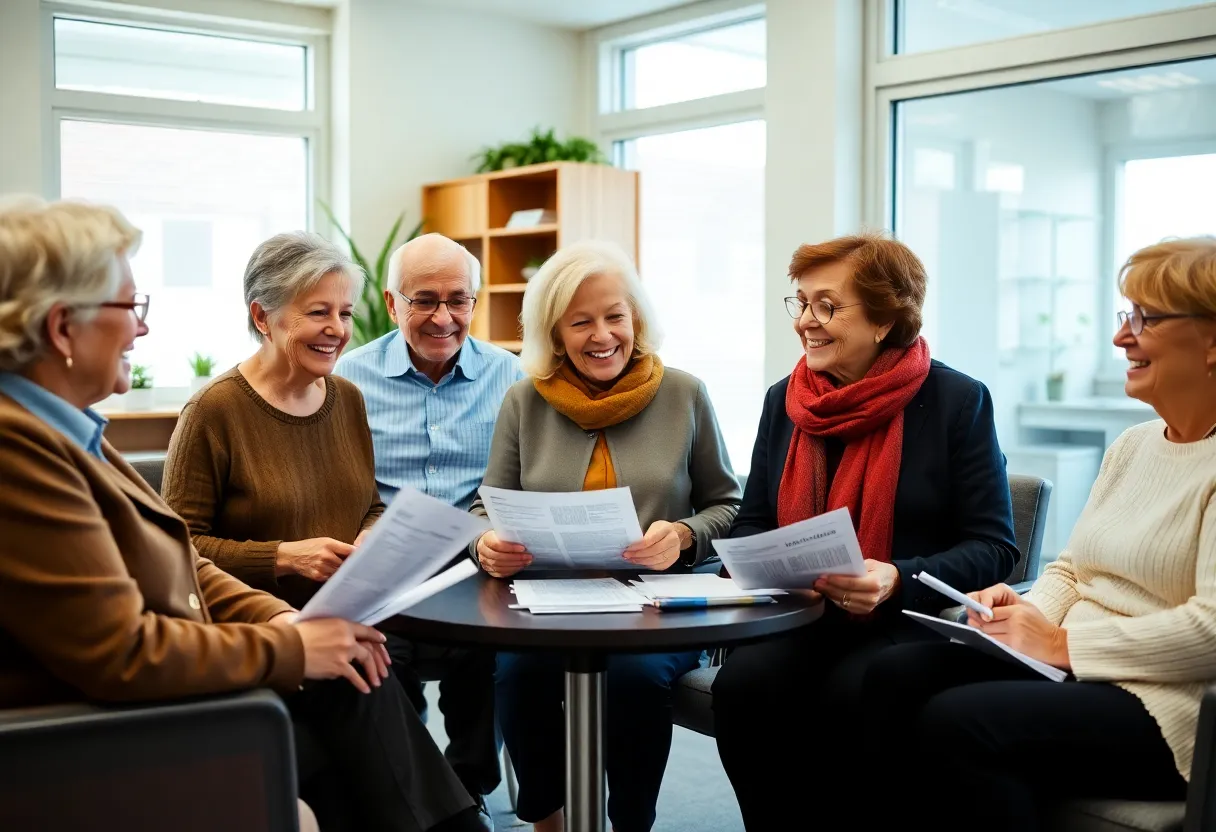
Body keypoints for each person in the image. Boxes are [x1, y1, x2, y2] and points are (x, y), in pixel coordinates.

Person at [0, 197, 484, 832]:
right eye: (129, 307)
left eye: (343, 312)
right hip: (116, 732)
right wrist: (290, 638)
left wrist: (285, 621)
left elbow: (182, 561)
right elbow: (126, 648)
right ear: (64, 328)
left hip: (207, 672)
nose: (142, 330)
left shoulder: (74, 434)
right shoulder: (21, 450)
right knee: (358, 721)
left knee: (357, 697)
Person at [860, 237, 1216, 831]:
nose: (1120, 337)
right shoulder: (1133, 445)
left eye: (1145, 319)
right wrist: (1026, 616)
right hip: (1080, 669)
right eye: (1126, 315)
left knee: (961, 722)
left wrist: (1061, 644)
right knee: (893, 676)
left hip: (1171, 704)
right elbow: (1075, 569)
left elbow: (1210, 630)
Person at [159, 228, 485, 830]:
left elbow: (368, 504)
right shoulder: (214, 412)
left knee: (367, 692)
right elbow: (175, 551)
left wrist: (371, 536)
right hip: (261, 635)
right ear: (263, 316)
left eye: (344, 312)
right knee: (364, 698)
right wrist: (285, 556)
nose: (336, 329)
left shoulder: (348, 399)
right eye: (317, 313)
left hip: (344, 619)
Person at [710, 232, 1020, 829]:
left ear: (884, 319)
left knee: (854, 693)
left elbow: (995, 546)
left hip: (907, 619)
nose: (805, 321)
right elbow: (754, 520)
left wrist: (897, 577)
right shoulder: (785, 401)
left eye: (827, 306)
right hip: (801, 612)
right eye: (801, 303)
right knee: (743, 686)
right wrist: (751, 562)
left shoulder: (957, 401)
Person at [471, 240, 741, 832]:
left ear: (635, 318)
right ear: (555, 333)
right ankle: (545, 819)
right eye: (580, 322)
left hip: (657, 601)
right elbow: (485, 506)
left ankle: (630, 824)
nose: (602, 335)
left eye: (614, 316)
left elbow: (728, 505)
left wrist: (684, 534)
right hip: (546, 597)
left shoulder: (685, 393)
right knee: (518, 675)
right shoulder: (523, 401)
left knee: (633, 679)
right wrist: (485, 543)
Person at [336, 234, 521, 810]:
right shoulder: (347, 378)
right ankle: (412, 799)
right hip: (387, 570)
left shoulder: (511, 377)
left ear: (474, 302)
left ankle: (467, 795)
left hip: (480, 569)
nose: (444, 317)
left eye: (458, 300)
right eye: (424, 300)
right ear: (392, 305)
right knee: (376, 663)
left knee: (497, 658)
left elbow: (523, 480)